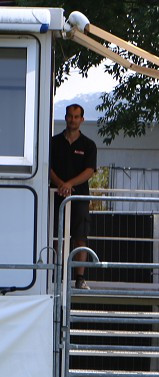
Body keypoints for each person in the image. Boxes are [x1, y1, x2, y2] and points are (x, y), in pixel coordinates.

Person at [50, 103, 98, 290]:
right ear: (66, 117)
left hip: (79, 198)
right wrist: (60, 184)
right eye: (70, 116)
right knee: (56, 237)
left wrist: (70, 184)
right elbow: (46, 167)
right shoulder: (53, 142)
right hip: (56, 195)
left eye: (76, 116)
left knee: (80, 237)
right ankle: (56, 275)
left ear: (82, 120)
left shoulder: (89, 145)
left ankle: (79, 278)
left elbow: (89, 171)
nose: (72, 119)